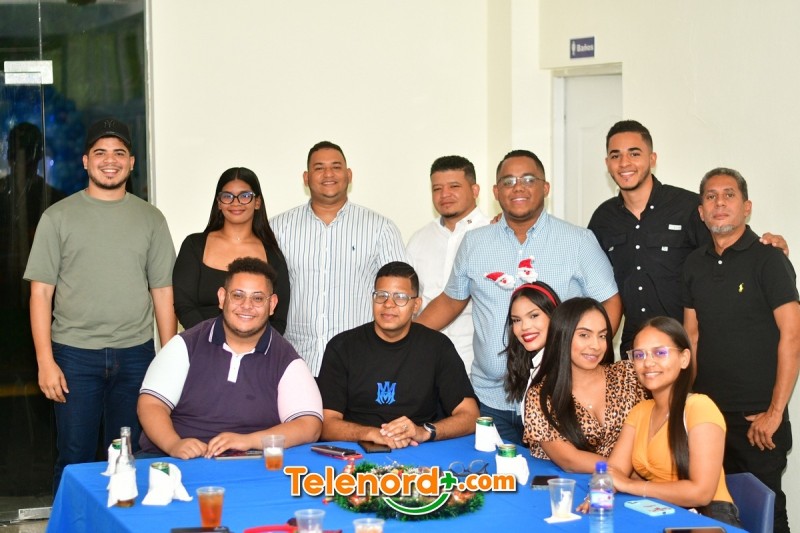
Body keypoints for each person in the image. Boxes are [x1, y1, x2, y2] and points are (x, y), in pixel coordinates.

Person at [417, 149, 620, 444]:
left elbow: (609, 301)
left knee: (557, 471)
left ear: (545, 187)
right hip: (490, 401)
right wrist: (406, 337)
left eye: (528, 179)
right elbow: (451, 300)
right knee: (491, 472)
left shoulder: (578, 241)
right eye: (509, 181)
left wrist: (588, 354)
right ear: (496, 192)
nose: (518, 187)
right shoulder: (474, 243)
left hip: (560, 396)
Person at [23, 117, 176, 491]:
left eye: (119, 153)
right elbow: (40, 294)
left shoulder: (151, 219)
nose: (110, 160)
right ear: (85, 161)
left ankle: (121, 517)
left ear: (132, 162)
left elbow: (163, 292)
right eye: (100, 152)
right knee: (74, 459)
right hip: (74, 356)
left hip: (136, 355)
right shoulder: (57, 217)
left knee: (128, 457)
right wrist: (45, 362)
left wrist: (169, 360)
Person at [589, 120, 788, 354]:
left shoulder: (687, 207)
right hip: (634, 351)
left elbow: (727, 248)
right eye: (615, 156)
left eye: (634, 153)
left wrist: (765, 246)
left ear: (652, 159)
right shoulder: (603, 219)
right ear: (607, 163)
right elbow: (594, 283)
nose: (624, 163)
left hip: (687, 348)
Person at [683, 168, 800, 533]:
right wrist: (686, 406)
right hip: (708, 417)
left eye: (729, 195)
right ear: (701, 212)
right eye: (711, 196)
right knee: (712, 514)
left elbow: (793, 336)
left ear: (746, 207)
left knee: (766, 517)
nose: (719, 203)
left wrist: (775, 413)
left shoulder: (769, 259)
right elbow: (691, 337)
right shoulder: (693, 264)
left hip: (757, 422)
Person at [138, 257, 322, 459]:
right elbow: (151, 404)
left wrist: (247, 441)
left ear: (272, 305)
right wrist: (173, 444)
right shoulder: (186, 345)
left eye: (258, 298)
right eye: (238, 295)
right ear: (222, 297)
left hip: (249, 461)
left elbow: (309, 425)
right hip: (173, 459)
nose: (246, 305)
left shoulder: (286, 359)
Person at [586, 316, 741, 527]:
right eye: (639, 355)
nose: (648, 362)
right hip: (660, 512)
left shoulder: (700, 407)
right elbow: (614, 472)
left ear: (684, 358)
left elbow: (701, 493)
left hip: (707, 518)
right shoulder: (640, 411)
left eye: (660, 353)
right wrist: (598, 495)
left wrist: (630, 485)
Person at [271, 141, 407, 376]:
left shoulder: (380, 228)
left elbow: (401, 294)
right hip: (295, 362)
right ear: (306, 177)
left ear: (349, 175)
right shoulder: (278, 228)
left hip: (361, 363)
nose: (328, 174)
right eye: (319, 168)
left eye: (336, 167)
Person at [317, 261, 479, 449]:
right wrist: (370, 434)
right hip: (357, 448)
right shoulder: (342, 347)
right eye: (381, 295)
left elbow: (470, 415)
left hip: (418, 449)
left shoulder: (437, 347)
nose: (388, 304)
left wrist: (424, 432)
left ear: (416, 305)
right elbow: (326, 423)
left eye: (400, 297)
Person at [522, 298, 647, 472]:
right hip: (576, 484)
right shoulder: (541, 396)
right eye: (584, 335)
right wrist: (622, 472)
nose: (596, 345)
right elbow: (569, 460)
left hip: (641, 483)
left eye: (602, 336)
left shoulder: (628, 374)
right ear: (562, 336)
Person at [172, 167, 289, 333]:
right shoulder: (194, 245)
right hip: (202, 341)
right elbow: (184, 305)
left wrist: (249, 344)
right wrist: (214, 340)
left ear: (257, 202)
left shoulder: (272, 254)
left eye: (245, 196)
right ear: (219, 203)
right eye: (227, 196)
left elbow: (278, 319)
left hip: (255, 347)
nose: (236, 202)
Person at [406, 155, 491, 373]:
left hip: (478, 365)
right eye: (437, 188)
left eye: (454, 186)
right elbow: (409, 299)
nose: (444, 194)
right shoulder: (419, 239)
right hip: (425, 363)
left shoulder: (492, 233)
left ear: (475, 190)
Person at [502, 281, 561, 443]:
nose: (525, 327)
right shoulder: (536, 365)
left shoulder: (570, 368)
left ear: (554, 314)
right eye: (516, 320)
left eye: (534, 316)